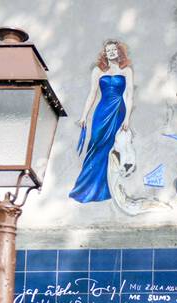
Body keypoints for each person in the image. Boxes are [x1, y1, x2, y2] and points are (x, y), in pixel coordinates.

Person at [69, 39, 134, 204]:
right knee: (96, 144)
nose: (111, 52)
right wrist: (84, 116)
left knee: (111, 146)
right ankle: (86, 187)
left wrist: (127, 119)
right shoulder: (98, 71)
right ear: (105, 53)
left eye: (114, 50)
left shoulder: (126, 71)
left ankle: (106, 188)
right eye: (108, 50)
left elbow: (129, 95)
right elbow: (92, 94)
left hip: (118, 110)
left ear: (119, 51)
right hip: (102, 110)